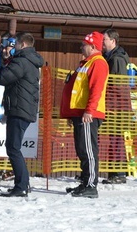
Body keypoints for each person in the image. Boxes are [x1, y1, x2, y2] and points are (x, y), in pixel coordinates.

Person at [61, 32, 109, 198]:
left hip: (88, 114)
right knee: (82, 149)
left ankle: (91, 185)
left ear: (93, 46)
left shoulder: (98, 63)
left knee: (88, 150)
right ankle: (85, 182)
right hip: (80, 113)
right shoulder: (86, 63)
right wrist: (71, 113)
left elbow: (97, 89)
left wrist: (90, 110)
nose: (81, 47)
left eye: (84, 44)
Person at [0, 32, 44, 197]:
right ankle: (22, 184)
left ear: (22, 45)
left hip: (20, 109)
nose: (13, 46)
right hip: (23, 108)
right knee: (13, 147)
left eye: (15, 44)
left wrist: (1, 61)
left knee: (13, 148)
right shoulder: (30, 60)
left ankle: (22, 185)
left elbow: (3, 78)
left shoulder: (21, 61)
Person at [101, 28, 130, 185]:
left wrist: (110, 104)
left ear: (113, 41)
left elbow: (116, 85)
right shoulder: (109, 57)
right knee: (112, 138)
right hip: (112, 104)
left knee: (116, 138)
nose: (102, 43)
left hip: (117, 106)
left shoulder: (117, 59)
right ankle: (114, 172)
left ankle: (118, 173)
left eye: (104, 40)